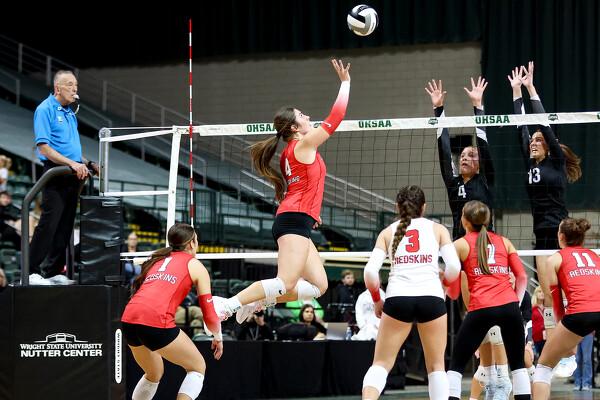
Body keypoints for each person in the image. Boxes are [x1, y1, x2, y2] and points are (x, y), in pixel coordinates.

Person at [213, 60, 351, 323]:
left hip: (298, 217)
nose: (308, 117)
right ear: (294, 128)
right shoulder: (303, 145)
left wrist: (312, 212)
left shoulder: (291, 151)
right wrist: (345, 83)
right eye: (302, 116)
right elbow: (336, 118)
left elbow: (304, 185)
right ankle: (227, 305)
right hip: (294, 219)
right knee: (285, 282)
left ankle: (260, 299)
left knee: (319, 286)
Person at [508, 61, 581, 376]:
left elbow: (542, 124)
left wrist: (530, 89)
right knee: (549, 296)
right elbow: (520, 128)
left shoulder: (556, 163)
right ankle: (555, 351)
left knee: (566, 293)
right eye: (533, 141)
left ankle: (570, 347)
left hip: (562, 232)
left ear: (550, 147)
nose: (534, 142)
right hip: (540, 233)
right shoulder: (530, 162)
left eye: (539, 140)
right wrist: (515, 93)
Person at [361, 185, 461, 400]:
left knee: (381, 363)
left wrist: (377, 299)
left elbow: (369, 272)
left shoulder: (387, 232)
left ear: (398, 207)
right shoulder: (438, 229)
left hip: (398, 299)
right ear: (424, 207)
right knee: (436, 367)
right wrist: (444, 287)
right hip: (431, 298)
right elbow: (454, 267)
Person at [121, 223, 223, 400]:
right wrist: (218, 337)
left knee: (153, 373)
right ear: (191, 243)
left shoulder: (158, 260)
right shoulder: (195, 265)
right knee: (197, 367)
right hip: (154, 320)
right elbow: (209, 315)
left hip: (129, 319)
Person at [447, 200, 530, 400]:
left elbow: (454, 293)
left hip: (481, 307)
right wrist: (516, 304)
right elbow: (522, 277)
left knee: (455, 366)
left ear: (464, 220)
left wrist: (445, 283)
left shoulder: (459, 245)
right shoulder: (505, 241)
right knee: (518, 366)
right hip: (509, 306)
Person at [28, 70, 100, 285]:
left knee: (65, 225)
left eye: (75, 85)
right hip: (55, 172)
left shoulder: (69, 113)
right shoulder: (45, 109)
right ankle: (31, 271)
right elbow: (45, 148)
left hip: (72, 174)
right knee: (49, 223)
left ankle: (53, 271)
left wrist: (88, 163)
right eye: (70, 85)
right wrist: (71, 164)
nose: (74, 89)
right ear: (57, 88)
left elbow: (73, 153)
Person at [532, 218, 600, 399]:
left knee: (543, 367)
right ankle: (569, 356)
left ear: (560, 237)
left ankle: (568, 357)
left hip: (580, 313)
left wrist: (562, 332)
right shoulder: (595, 256)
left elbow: (556, 302)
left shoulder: (554, 259)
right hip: (594, 308)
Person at [426, 77, 494, 240]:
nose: (464, 158)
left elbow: (483, 143)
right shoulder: (453, 182)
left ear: (479, 164)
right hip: (459, 243)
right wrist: (438, 109)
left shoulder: (484, 180)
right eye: (462, 155)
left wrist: (478, 106)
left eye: (471, 155)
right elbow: (444, 149)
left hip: (484, 242)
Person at [531, 286, 546, 359]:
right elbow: (529, 322)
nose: (542, 293)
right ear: (536, 294)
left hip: (546, 337)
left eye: (543, 292)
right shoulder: (532, 307)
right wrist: (530, 338)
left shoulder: (548, 307)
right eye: (539, 292)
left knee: (544, 358)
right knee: (533, 358)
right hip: (534, 338)